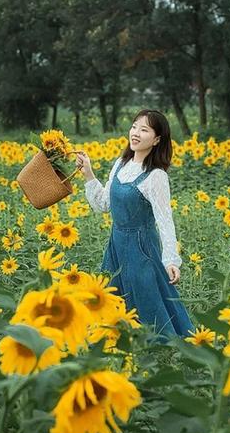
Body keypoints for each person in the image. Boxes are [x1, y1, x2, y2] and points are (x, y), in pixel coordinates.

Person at [75, 109, 194, 339]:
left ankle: (164, 350)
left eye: (144, 129)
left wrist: (171, 260)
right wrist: (88, 173)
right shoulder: (121, 164)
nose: (136, 133)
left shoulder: (156, 176)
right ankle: (114, 344)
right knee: (111, 297)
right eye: (134, 126)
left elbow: (164, 219)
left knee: (149, 300)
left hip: (142, 247)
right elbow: (103, 205)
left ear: (157, 139)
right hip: (116, 244)